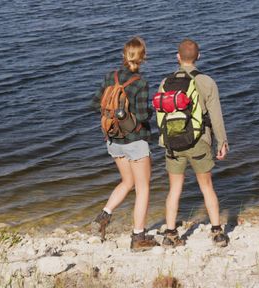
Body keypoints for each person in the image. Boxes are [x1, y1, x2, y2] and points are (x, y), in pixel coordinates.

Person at [157, 38, 230, 248]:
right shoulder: (207, 82)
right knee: (207, 187)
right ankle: (217, 232)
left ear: (177, 57)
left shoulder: (165, 82)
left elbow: (161, 115)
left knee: (174, 189)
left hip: (173, 143)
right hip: (199, 141)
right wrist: (221, 142)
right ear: (198, 56)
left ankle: (170, 234)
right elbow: (216, 116)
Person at [89, 37, 158, 252]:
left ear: (124, 54)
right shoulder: (140, 83)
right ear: (143, 57)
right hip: (135, 142)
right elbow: (140, 115)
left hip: (113, 139)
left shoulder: (111, 76)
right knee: (143, 187)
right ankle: (138, 236)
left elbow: (94, 104)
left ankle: (104, 216)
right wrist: (153, 109)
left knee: (127, 182)